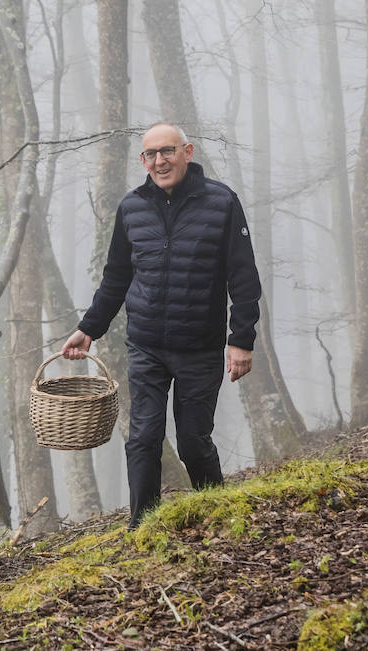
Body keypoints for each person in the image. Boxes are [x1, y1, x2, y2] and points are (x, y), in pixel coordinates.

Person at [61, 122, 261, 529]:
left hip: (200, 347)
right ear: (142, 160)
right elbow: (116, 278)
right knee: (143, 439)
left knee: (192, 440)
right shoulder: (132, 208)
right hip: (146, 346)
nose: (159, 161)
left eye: (167, 151)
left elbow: (243, 277)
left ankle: (216, 517)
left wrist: (241, 340)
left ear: (187, 151)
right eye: (151, 154)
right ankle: (143, 528)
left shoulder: (222, 203)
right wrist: (89, 328)